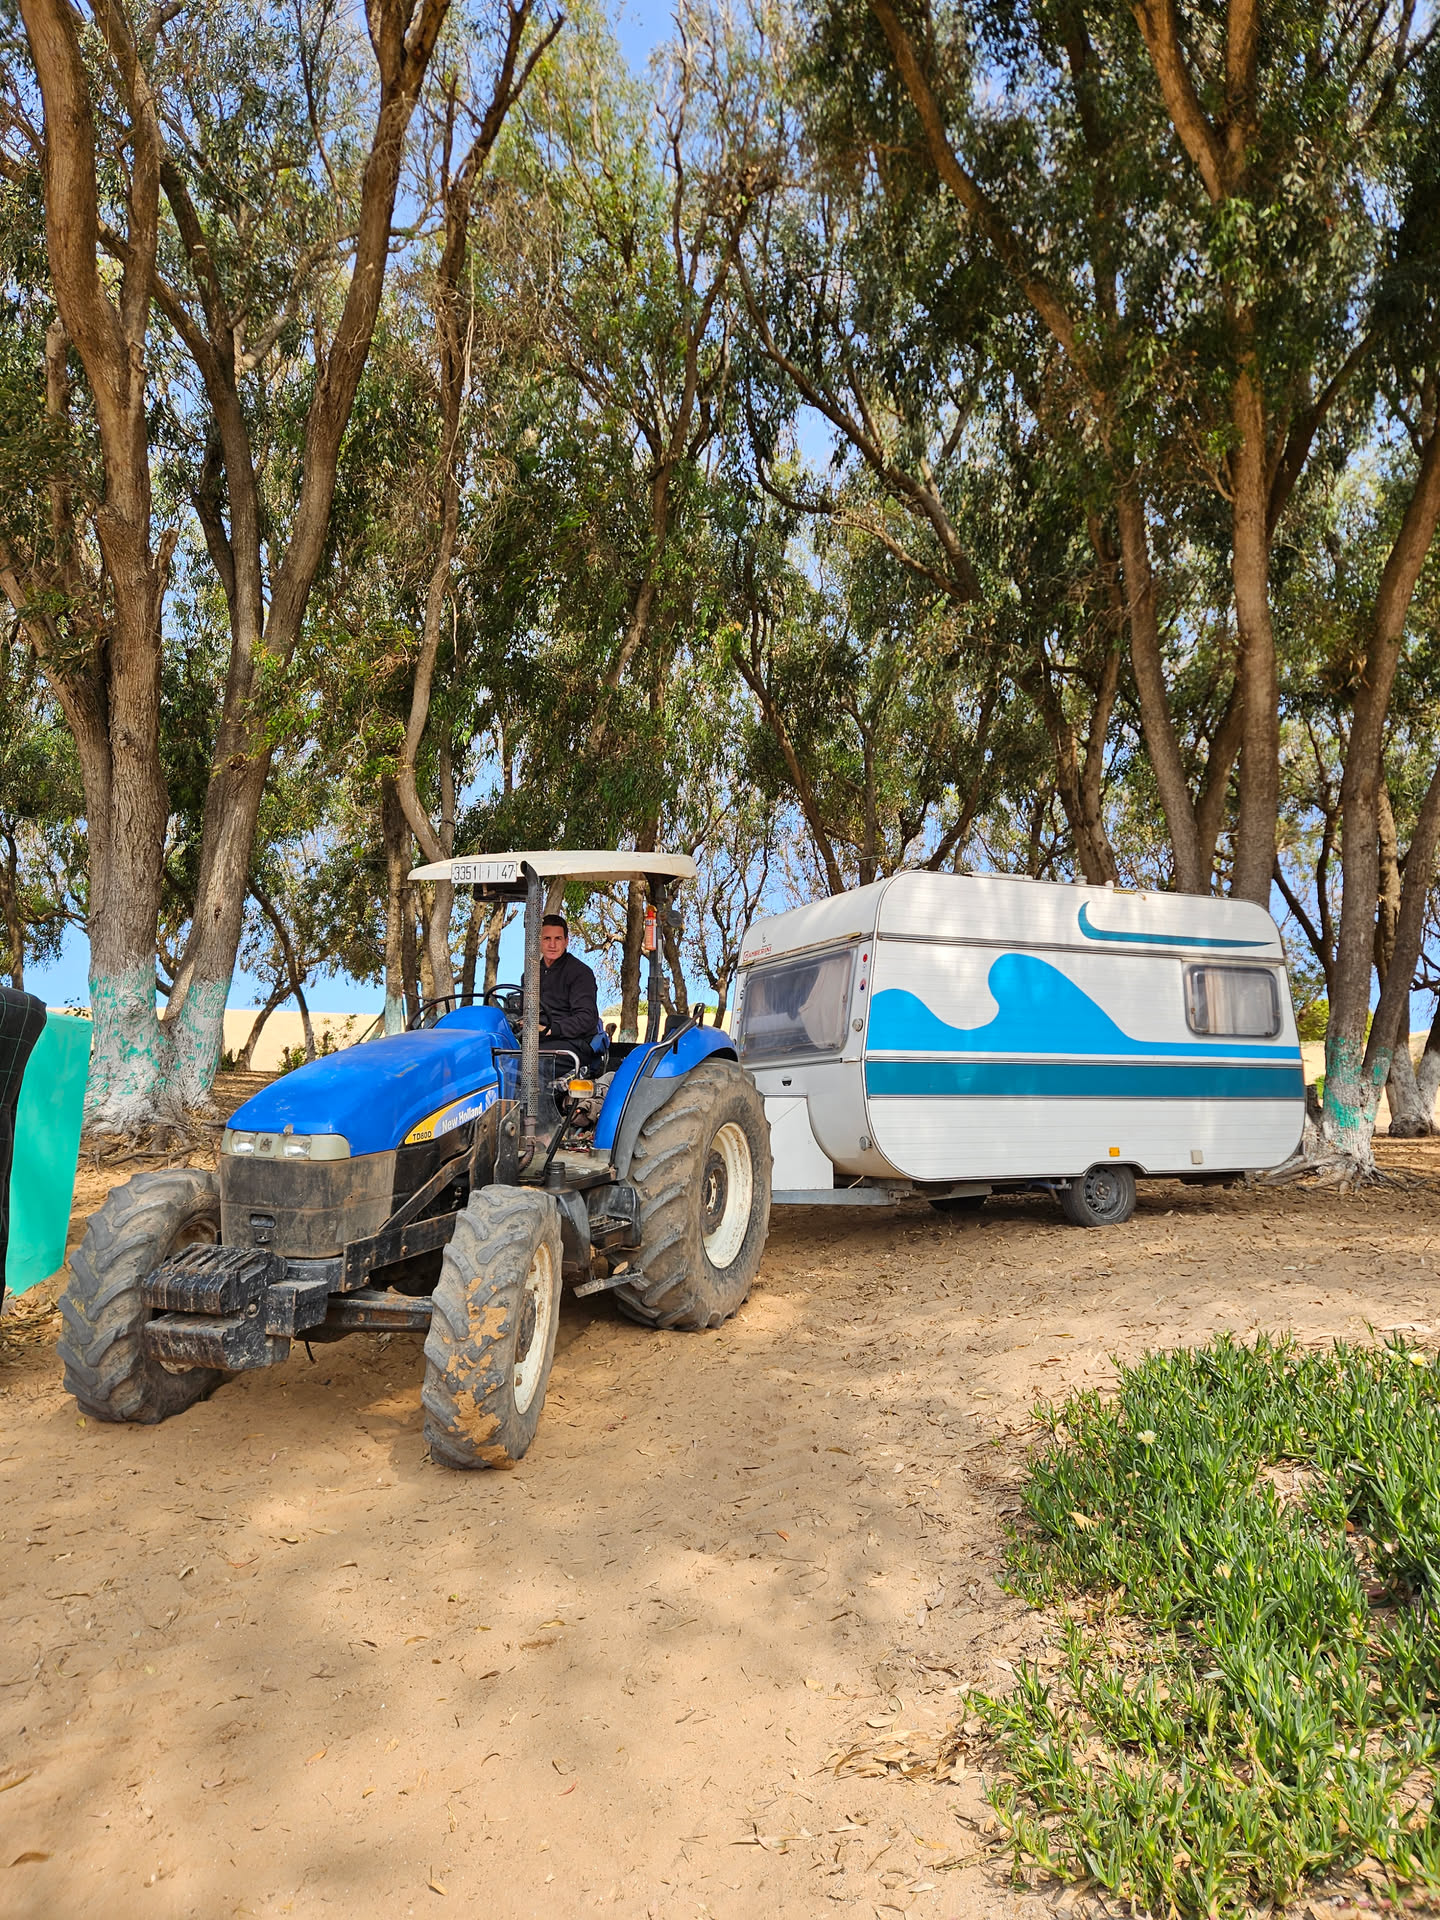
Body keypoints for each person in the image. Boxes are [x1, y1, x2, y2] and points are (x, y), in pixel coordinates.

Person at [537, 915, 601, 1071]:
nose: (552, 945)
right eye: (547, 938)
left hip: (573, 1044)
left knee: (530, 1063)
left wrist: (551, 1029)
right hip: (537, 1042)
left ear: (566, 941)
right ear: (539, 941)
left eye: (558, 939)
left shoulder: (580, 973)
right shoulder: (530, 974)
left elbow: (587, 1017)